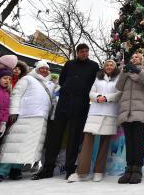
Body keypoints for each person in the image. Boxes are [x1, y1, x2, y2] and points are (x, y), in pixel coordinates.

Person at [33, 44, 99, 180]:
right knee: (55, 137)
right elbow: (62, 80)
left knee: (74, 138)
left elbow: (94, 83)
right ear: (77, 52)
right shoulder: (69, 64)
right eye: (82, 52)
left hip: (81, 106)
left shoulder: (93, 66)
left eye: (86, 51)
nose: (84, 54)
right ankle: (47, 168)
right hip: (64, 104)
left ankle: (70, 169)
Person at [0, 60, 56, 183]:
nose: (45, 70)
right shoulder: (27, 79)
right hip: (24, 115)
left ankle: (16, 169)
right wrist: (13, 111)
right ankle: (0, 171)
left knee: (27, 146)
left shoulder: (51, 85)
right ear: (36, 69)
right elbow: (16, 94)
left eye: (47, 69)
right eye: (42, 68)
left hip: (41, 118)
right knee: (13, 144)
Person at [68, 60, 122, 183]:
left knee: (104, 143)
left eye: (111, 65)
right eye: (107, 65)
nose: (109, 67)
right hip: (95, 111)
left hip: (110, 112)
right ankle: (81, 172)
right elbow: (91, 92)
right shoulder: (98, 78)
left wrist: (107, 98)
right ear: (104, 67)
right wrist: (97, 97)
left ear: (115, 67)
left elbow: (119, 93)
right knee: (87, 140)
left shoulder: (119, 78)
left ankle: (99, 171)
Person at [115, 52, 144, 184]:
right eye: (132, 57)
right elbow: (119, 86)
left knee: (138, 142)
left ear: (141, 60)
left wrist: (139, 71)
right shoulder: (125, 71)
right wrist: (124, 73)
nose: (134, 58)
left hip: (140, 111)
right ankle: (129, 169)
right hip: (126, 111)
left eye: (137, 57)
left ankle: (137, 170)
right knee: (129, 142)